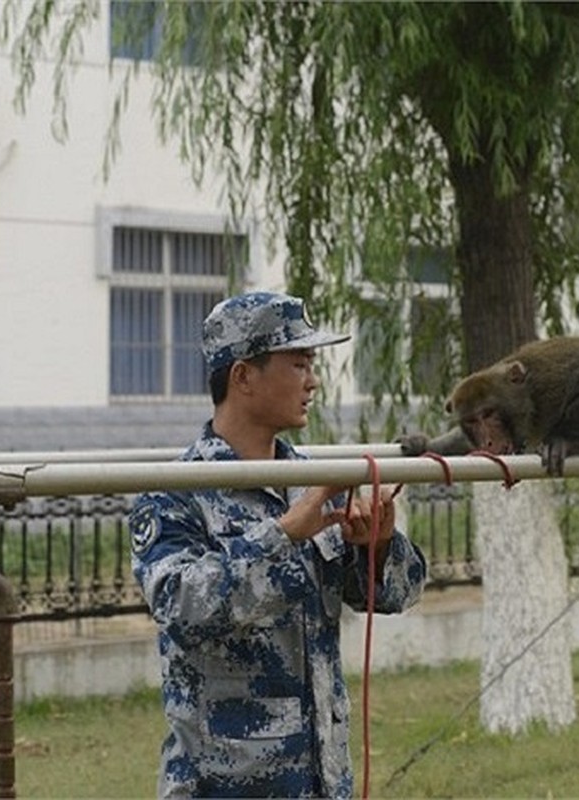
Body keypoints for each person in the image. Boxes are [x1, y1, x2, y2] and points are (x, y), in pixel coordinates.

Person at [129, 290, 427, 798]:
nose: (313, 381)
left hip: (322, 779)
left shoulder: (310, 480)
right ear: (243, 376)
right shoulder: (176, 494)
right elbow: (181, 607)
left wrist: (376, 546)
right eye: (298, 363)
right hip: (223, 784)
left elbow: (398, 593)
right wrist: (284, 532)